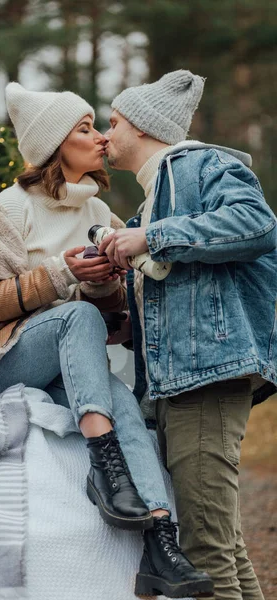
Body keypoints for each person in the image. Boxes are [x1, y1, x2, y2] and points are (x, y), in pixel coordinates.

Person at [0, 82, 213, 598]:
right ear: (54, 146)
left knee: (124, 404)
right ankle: (104, 463)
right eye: (86, 129)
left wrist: (105, 286)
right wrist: (60, 276)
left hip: (68, 365)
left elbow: (110, 307)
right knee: (78, 322)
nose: (102, 139)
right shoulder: (8, 208)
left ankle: (161, 544)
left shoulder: (100, 216)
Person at [100, 69, 277, 600]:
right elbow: (183, 294)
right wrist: (122, 323)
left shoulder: (202, 165)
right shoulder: (156, 195)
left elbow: (258, 224)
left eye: (113, 122)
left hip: (206, 375)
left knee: (204, 554)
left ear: (145, 126)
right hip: (184, 381)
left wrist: (150, 238)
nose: (105, 136)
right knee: (223, 546)